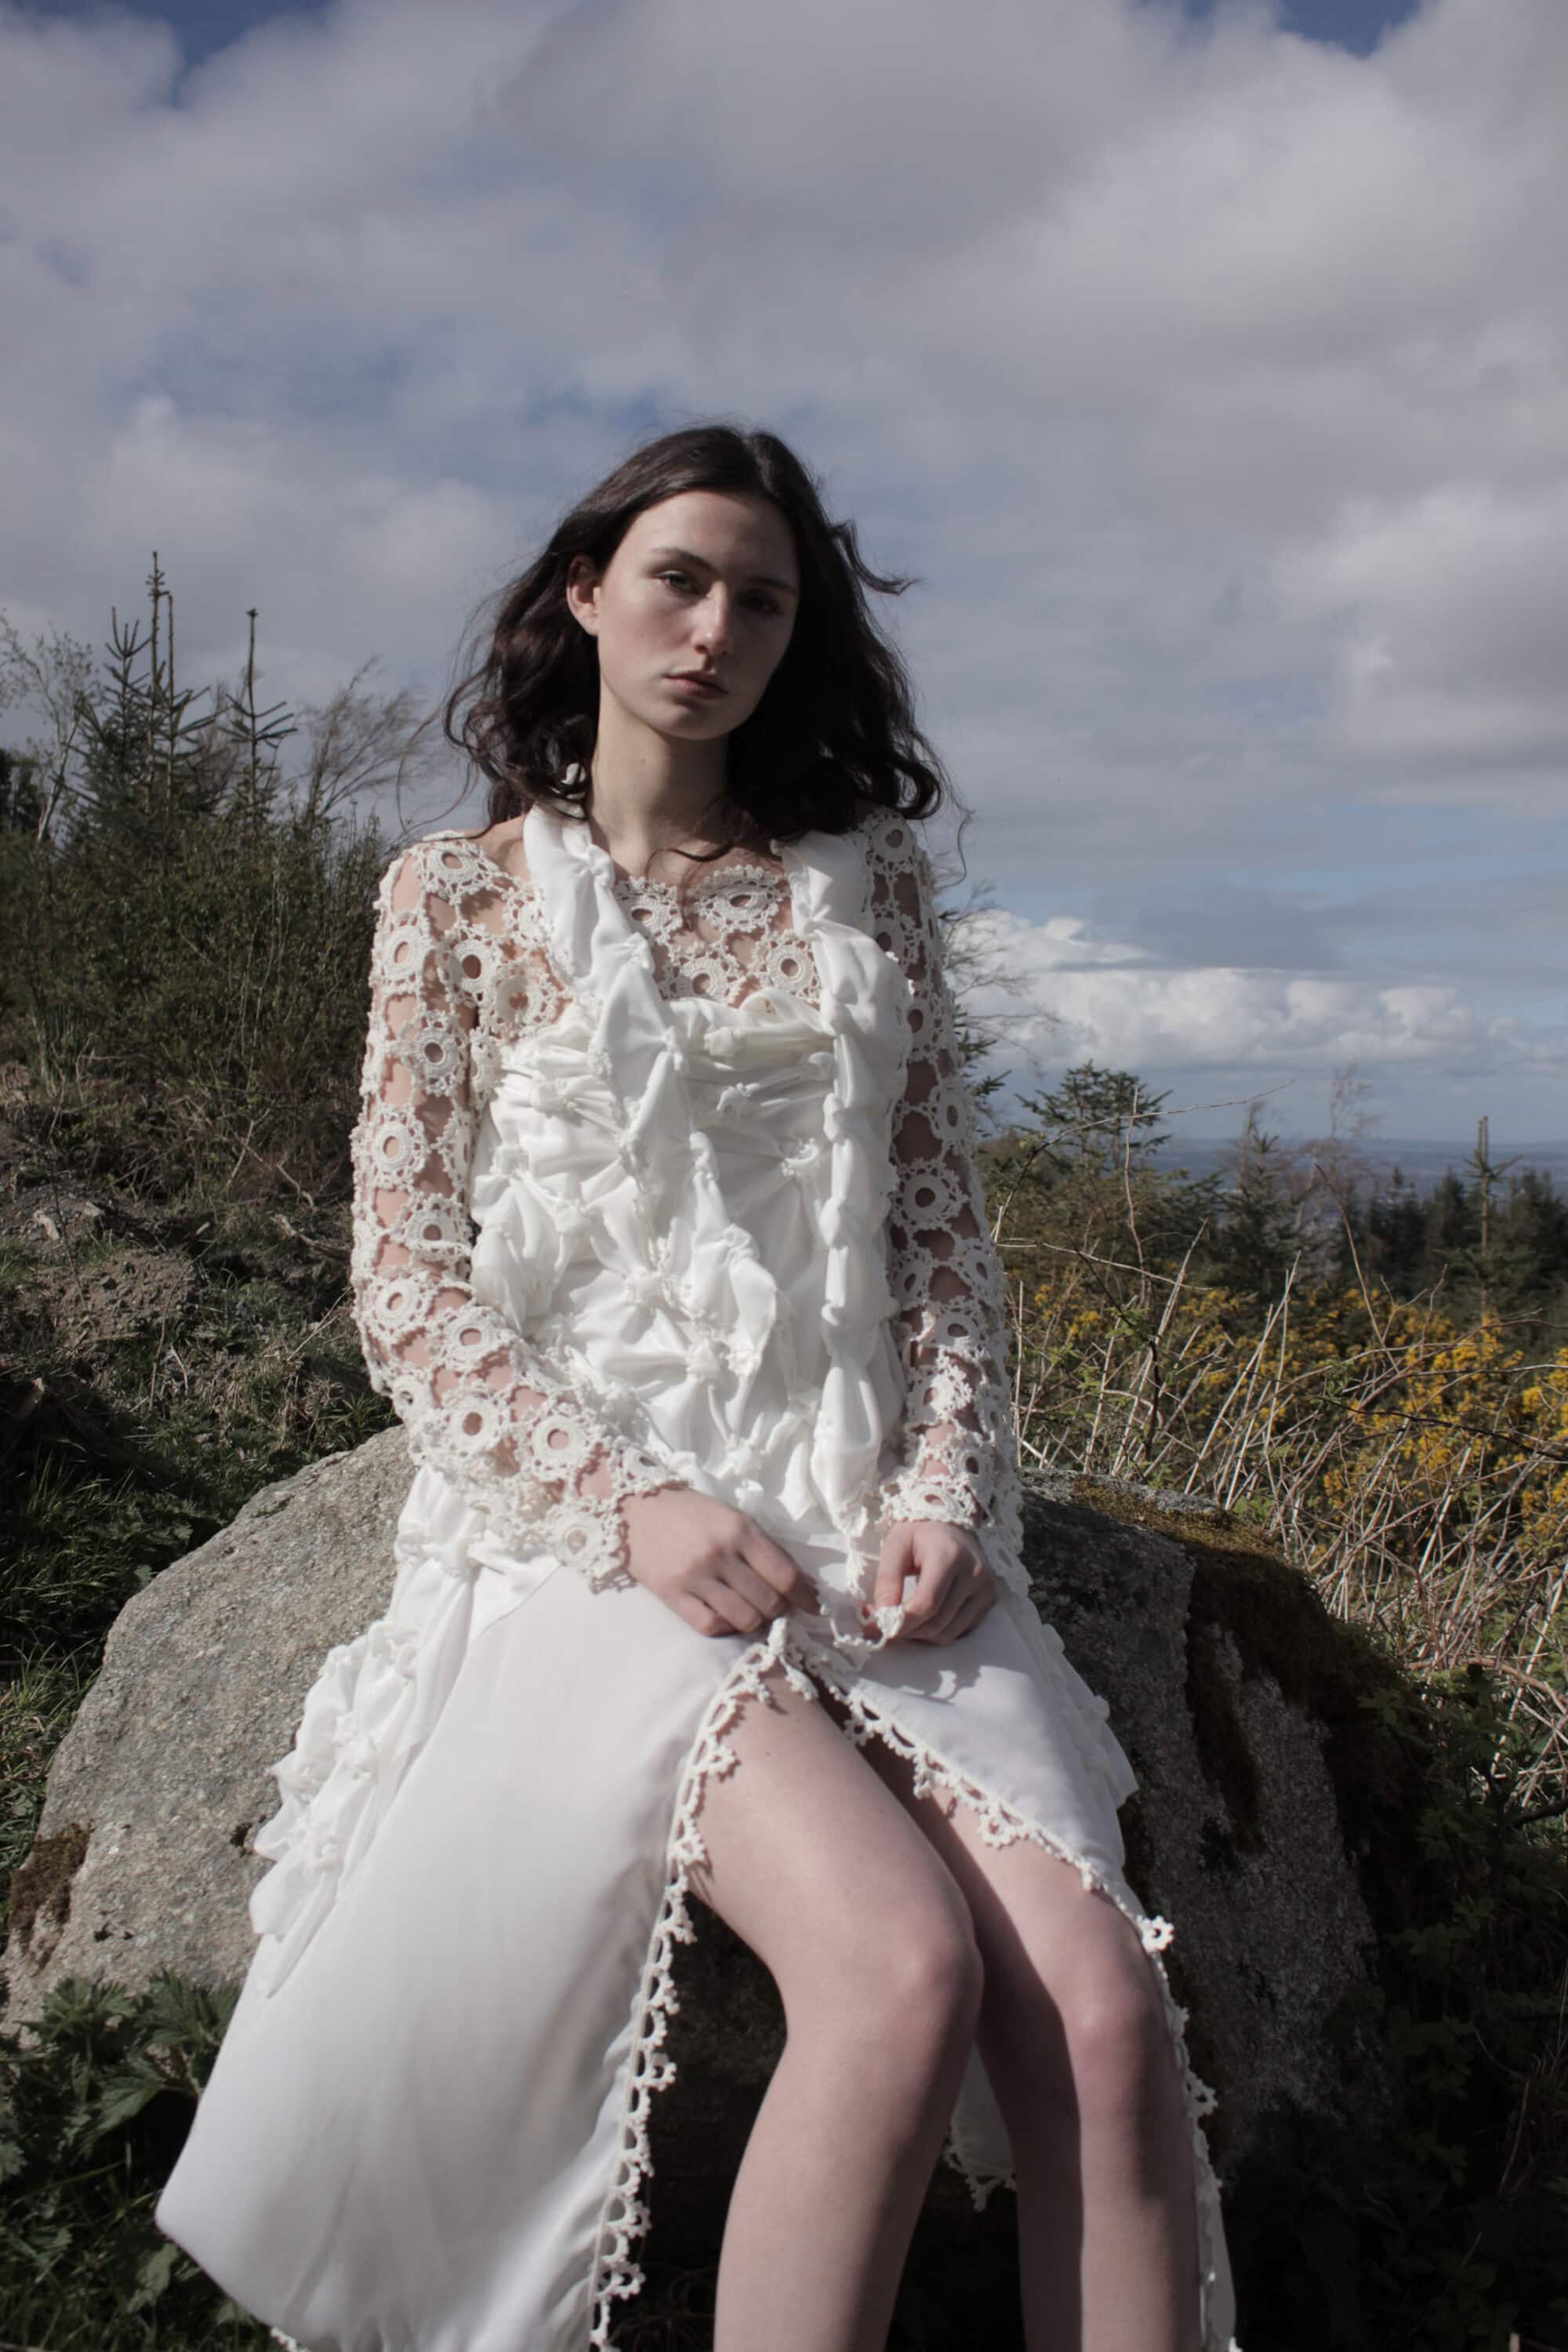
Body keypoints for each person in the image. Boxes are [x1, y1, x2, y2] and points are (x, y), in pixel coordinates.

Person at [154, 421, 1240, 2352]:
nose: (715, 629)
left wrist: (944, 1490)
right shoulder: (457, 894)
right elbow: (405, 1282)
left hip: (858, 1505)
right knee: (898, 1967)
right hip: (597, 1534)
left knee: (1098, 2015)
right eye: (679, 579)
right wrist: (624, 1502)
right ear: (584, 594)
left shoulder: (865, 889)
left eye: (762, 598)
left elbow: (937, 1248)